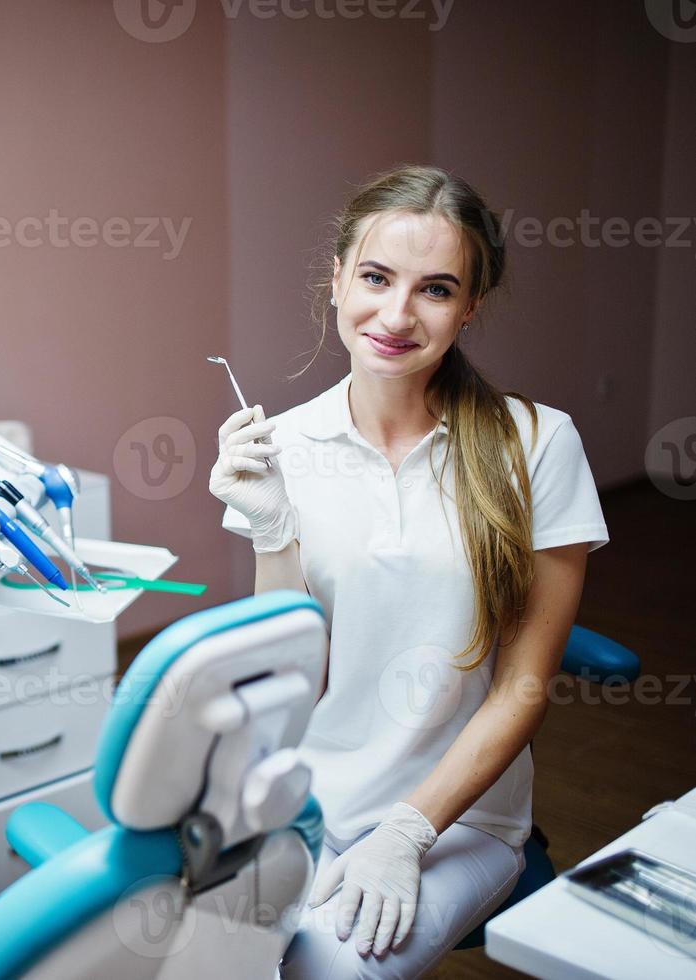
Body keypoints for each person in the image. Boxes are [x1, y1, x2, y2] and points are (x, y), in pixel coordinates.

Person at [209, 165, 609, 977]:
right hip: (309, 803)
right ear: (335, 281)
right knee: (197, 960)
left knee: (321, 971)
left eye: (433, 289)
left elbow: (522, 688)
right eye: (374, 278)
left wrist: (407, 831)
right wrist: (270, 529)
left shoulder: (536, 443)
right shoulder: (279, 448)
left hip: (457, 820)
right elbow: (283, 675)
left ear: (469, 307)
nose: (394, 315)